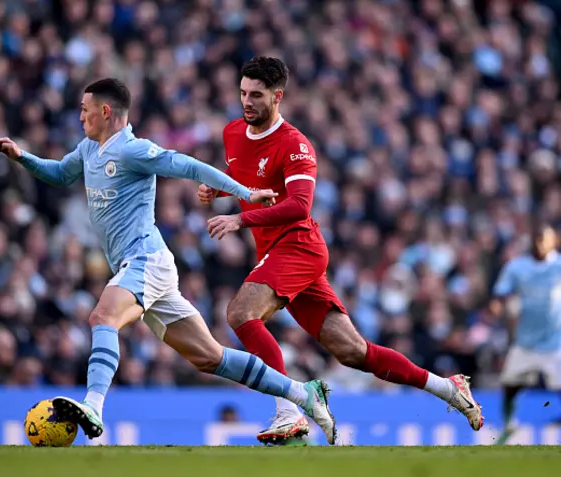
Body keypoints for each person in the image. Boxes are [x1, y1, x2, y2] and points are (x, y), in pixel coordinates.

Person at [0, 78, 337, 444]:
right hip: (141, 266)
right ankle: (303, 394)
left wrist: (245, 193)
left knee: (102, 316)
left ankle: (93, 405)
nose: (80, 117)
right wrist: (22, 157)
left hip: (146, 259)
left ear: (105, 112)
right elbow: (59, 174)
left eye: (84, 109)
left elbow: (188, 166)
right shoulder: (89, 150)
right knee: (209, 357)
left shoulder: (132, 151)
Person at [199, 57, 484, 445]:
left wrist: (239, 220)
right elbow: (247, 177)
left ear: (278, 96)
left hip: (297, 246)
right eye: (243, 93)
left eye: (257, 95)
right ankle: (448, 389)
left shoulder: (295, 144)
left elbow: (300, 205)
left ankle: (289, 411)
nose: (246, 102)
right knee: (353, 352)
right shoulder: (233, 132)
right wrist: (220, 189)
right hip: (279, 253)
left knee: (240, 313)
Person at [491, 222, 561, 445]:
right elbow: (500, 294)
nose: (541, 244)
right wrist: (498, 307)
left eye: (545, 239)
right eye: (537, 238)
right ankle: (510, 424)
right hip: (525, 342)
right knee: (510, 383)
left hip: (555, 342)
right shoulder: (517, 268)